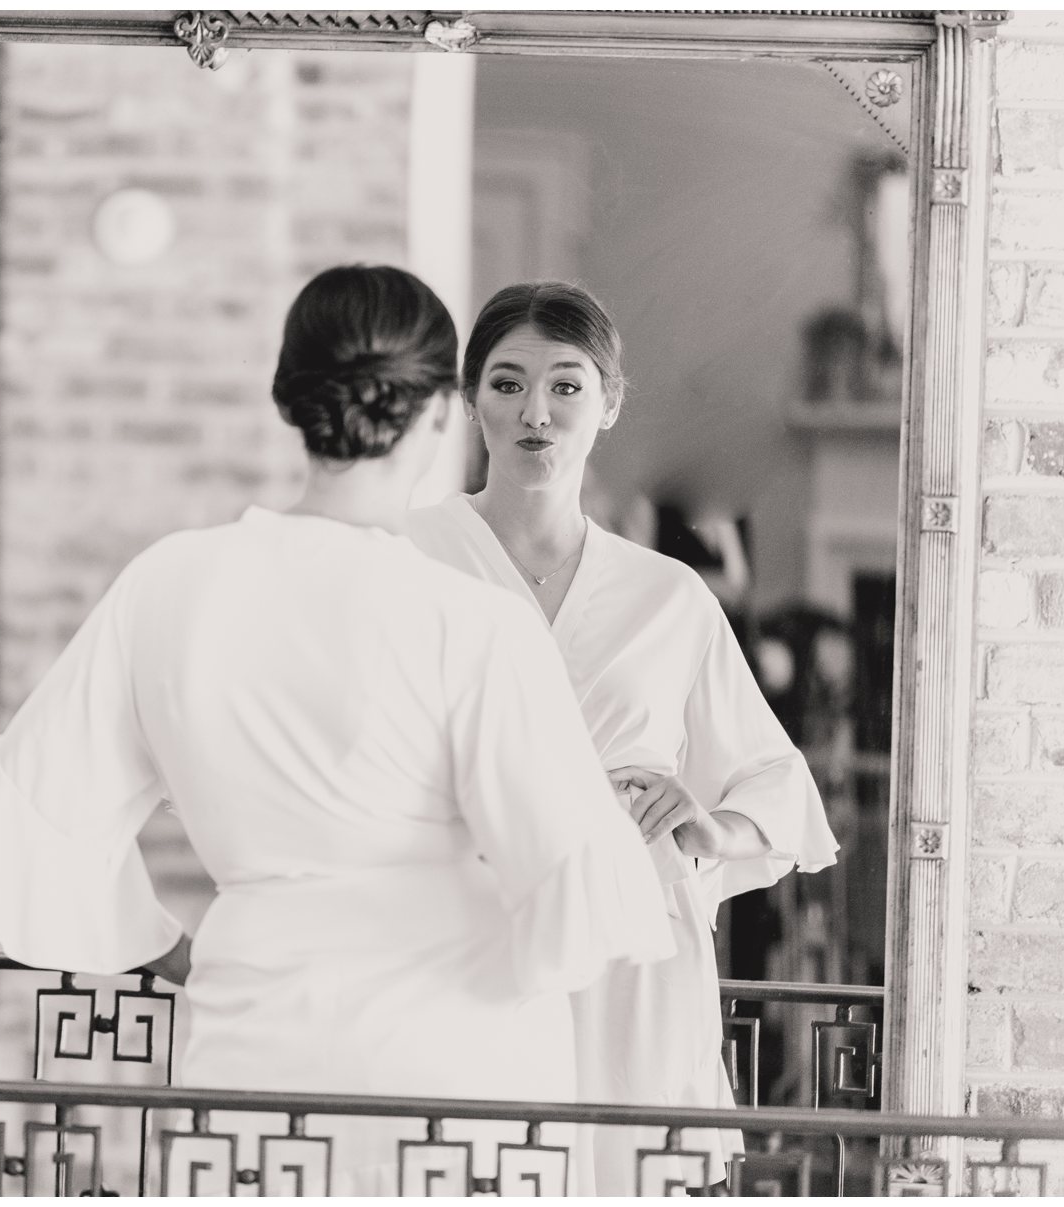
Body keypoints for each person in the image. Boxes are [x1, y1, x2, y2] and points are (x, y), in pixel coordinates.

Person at [0, 266, 673, 1194]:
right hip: (454, 1073)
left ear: (290, 397)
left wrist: (170, 946)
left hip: (253, 1046)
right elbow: (577, 890)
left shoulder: (169, 583)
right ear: (443, 412)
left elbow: (29, 823)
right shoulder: (471, 618)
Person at [406, 281, 840, 1195]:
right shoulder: (409, 560)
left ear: (608, 403)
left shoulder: (667, 594)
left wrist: (709, 825)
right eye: (507, 382)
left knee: (626, 1165)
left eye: (566, 385)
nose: (535, 412)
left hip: (631, 929)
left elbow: (774, 777)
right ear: (468, 397)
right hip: (464, 912)